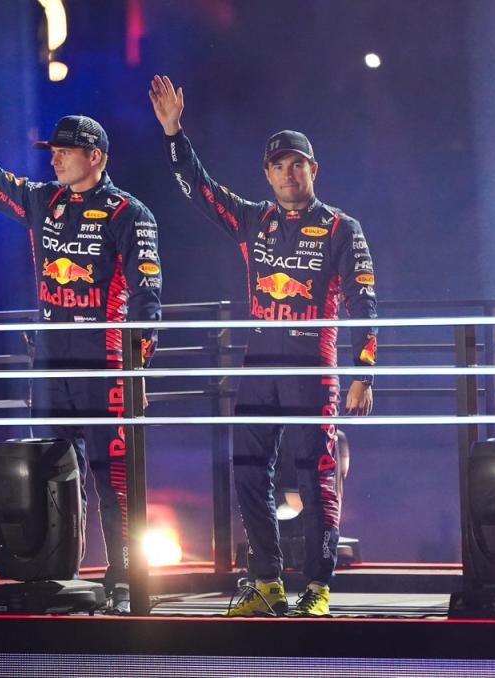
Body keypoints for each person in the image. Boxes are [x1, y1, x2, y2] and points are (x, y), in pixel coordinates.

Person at [0, 75, 163, 613]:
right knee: (57, 473)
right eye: (52, 151)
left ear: (94, 157)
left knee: (114, 478)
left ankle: (128, 585)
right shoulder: (42, 201)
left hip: (107, 367)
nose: (54, 159)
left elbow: (149, 298)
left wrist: (138, 370)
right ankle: (64, 577)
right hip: (52, 363)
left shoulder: (131, 214)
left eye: (64, 151)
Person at [149, 75, 376, 617]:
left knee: (316, 473)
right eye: (278, 165)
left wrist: (367, 371)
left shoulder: (343, 228)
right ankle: (266, 581)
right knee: (247, 467)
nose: (288, 173)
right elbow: (200, 190)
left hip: (314, 367)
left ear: (312, 170)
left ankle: (317, 588)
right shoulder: (255, 220)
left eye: (298, 164)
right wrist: (174, 133)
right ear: (268, 174)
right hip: (260, 364)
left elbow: (366, 303)